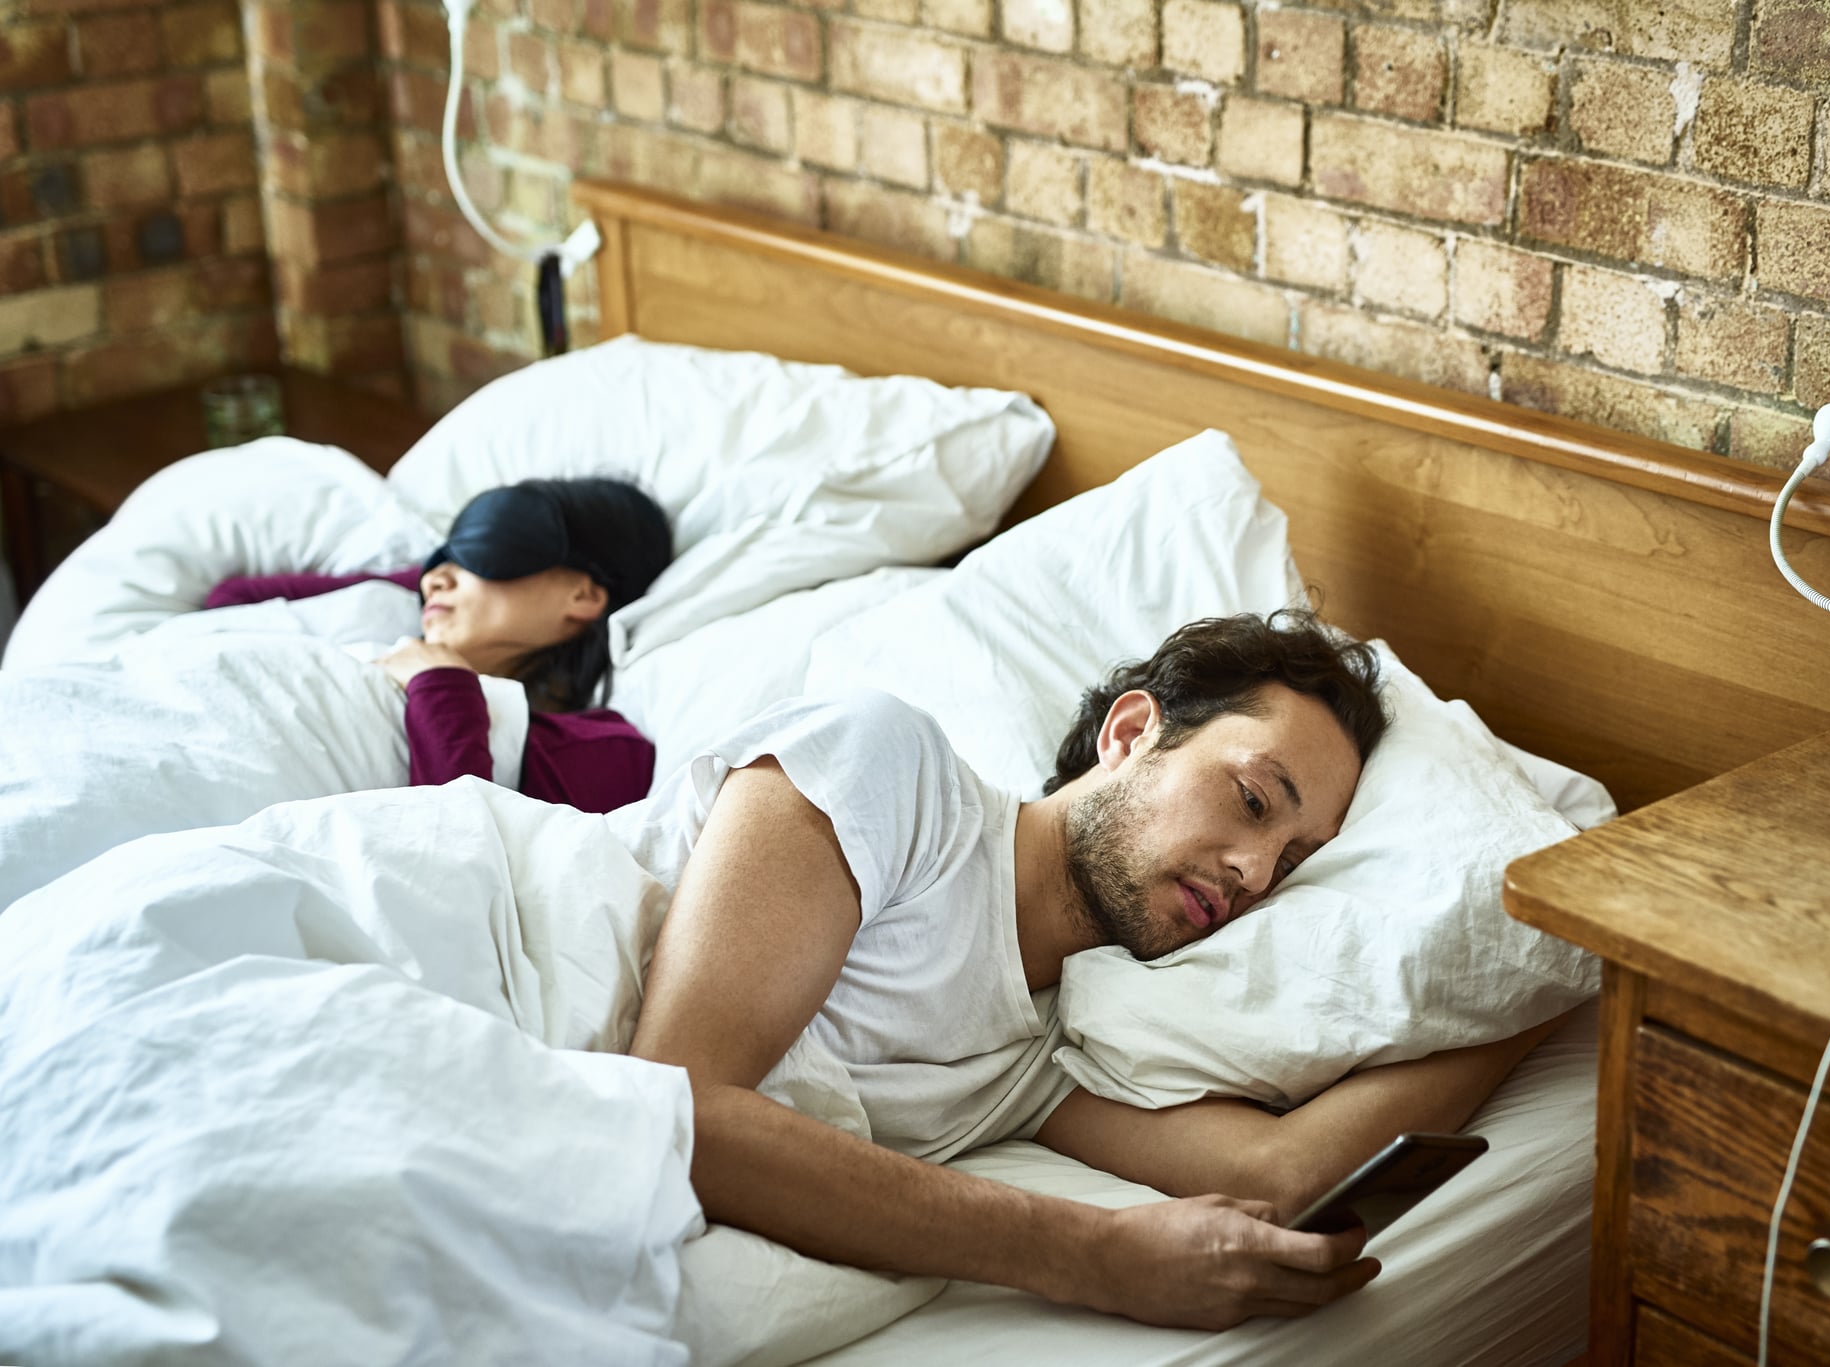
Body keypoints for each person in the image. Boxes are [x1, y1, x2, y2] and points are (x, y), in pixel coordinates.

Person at [626, 608, 1565, 1330]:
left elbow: (1281, 1176)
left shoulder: (1047, 1048)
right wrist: (1098, 1253)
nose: (1252, 871)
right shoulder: (894, 773)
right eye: (1250, 799)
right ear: (1129, 732)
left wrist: (1559, 969)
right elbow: (675, 1110)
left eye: (1289, 863)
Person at [206, 477, 671, 814]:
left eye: (482, 551)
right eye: (441, 558)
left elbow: (446, 855)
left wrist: (442, 686)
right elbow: (228, 605)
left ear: (584, 595)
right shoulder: (391, 613)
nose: (434, 578)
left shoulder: (595, 751)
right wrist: (427, 583)